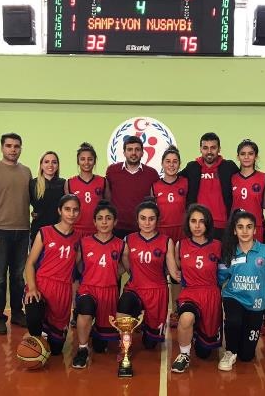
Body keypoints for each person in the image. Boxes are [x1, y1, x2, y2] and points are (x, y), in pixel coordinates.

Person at [0, 132, 32, 335]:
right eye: (9, 146)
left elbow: (29, 199)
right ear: (2, 148)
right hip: (0, 232)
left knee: (19, 278)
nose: (13, 149)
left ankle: (18, 313)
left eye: (17, 146)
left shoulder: (27, 172)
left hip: (22, 232)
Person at [217, 210, 265, 371]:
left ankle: (240, 347)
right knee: (233, 321)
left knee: (246, 356)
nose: (244, 231)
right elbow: (219, 278)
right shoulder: (229, 252)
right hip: (233, 297)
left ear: (255, 230)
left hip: (256, 304)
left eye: (249, 227)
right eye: (240, 227)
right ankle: (229, 352)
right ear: (234, 230)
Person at [23, 194, 81, 356]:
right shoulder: (45, 232)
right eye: (67, 209)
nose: (71, 213)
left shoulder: (79, 238)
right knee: (34, 316)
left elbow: (79, 267)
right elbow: (29, 264)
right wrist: (32, 288)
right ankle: (35, 338)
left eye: (75, 210)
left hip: (63, 290)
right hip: (42, 285)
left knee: (56, 350)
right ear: (59, 211)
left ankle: (49, 337)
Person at [168, 204, 222, 373]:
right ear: (188, 223)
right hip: (190, 293)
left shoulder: (218, 245)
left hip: (211, 295)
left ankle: (200, 334)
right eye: (193, 221)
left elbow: (225, 273)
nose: (197, 226)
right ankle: (184, 354)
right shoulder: (181, 245)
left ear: (208, 224)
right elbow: (177, 268)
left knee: (205, 353)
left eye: (201, 221)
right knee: (185, 318)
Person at [116, 199, 176, 351]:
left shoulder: (166, 241)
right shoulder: (128, 239)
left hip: (157, 292)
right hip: (135, 288)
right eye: (143, 218)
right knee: (124, 306)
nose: (147, 223)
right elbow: (125, 265)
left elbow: (173, 271)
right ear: (137, 219)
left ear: (157, 220)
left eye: (151, 219)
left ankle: (145, 326)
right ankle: (124, 349)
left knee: (150, 345)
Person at [72, 200, 125, 368]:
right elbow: (77, 267)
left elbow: (125, 267)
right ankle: (82, 349)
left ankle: (95, 332)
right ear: (94, 222)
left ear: (115, 222)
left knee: (101, 347)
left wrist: (110, 274)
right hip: (88, 289)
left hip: (109, 292)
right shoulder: (84, 242)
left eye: (108, 218)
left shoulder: (121, 244)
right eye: (100, 218)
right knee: (86, 308)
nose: (104, 222)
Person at [152, 145, 188, 327]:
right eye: (168, 161)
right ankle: (155, 310)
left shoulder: (185, 183)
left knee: (176, 275)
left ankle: (175, 310)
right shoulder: (155, 186)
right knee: (158, 274)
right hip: (162, 234)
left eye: (175, 161)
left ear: (179, 164)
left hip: (180, 234)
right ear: (162, 163)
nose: (171, 165)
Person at [180, 132, 238, 241]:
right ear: (200, 149)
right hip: (199, 225)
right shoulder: (192, 167)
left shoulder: (229, 167)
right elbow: (174, 181)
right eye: (205, 148)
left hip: (223, 226)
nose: (209, 152)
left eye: (213, 148)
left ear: (219, 149)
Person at [106, 136, 159, 238]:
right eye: (130, 149)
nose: (133, 153)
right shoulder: (112, 171)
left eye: (137, 149)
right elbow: (107, 197)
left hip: (142, 228)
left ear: (142, 152)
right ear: (124, 152)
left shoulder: (152, 174)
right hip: (117, 228)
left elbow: (155, 201)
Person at [231, 139, 265, 243]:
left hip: (256, 226)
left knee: (255, 258)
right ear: (238, 157)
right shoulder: (231, 178)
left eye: (250, 154)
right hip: (236, 226)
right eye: (243, 154)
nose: (246, 157)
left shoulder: (264, 177)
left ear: (256, 156)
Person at [67, 142, 107, 237]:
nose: (86, 163)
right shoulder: (69, 183)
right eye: (82, 159)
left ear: (94, 161)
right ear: (78, 161)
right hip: (75, 231)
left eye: (90, 159)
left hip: (98, 231)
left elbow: (108, 207)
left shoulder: (103, 181)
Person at [29, 151, 66, 243]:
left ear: (57, 165)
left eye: (54, 162)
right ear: (41, 165)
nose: (50, 165)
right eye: (46, 162)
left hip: (58, 230)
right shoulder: (33, 184)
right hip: (38, 230)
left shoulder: (63, 183)